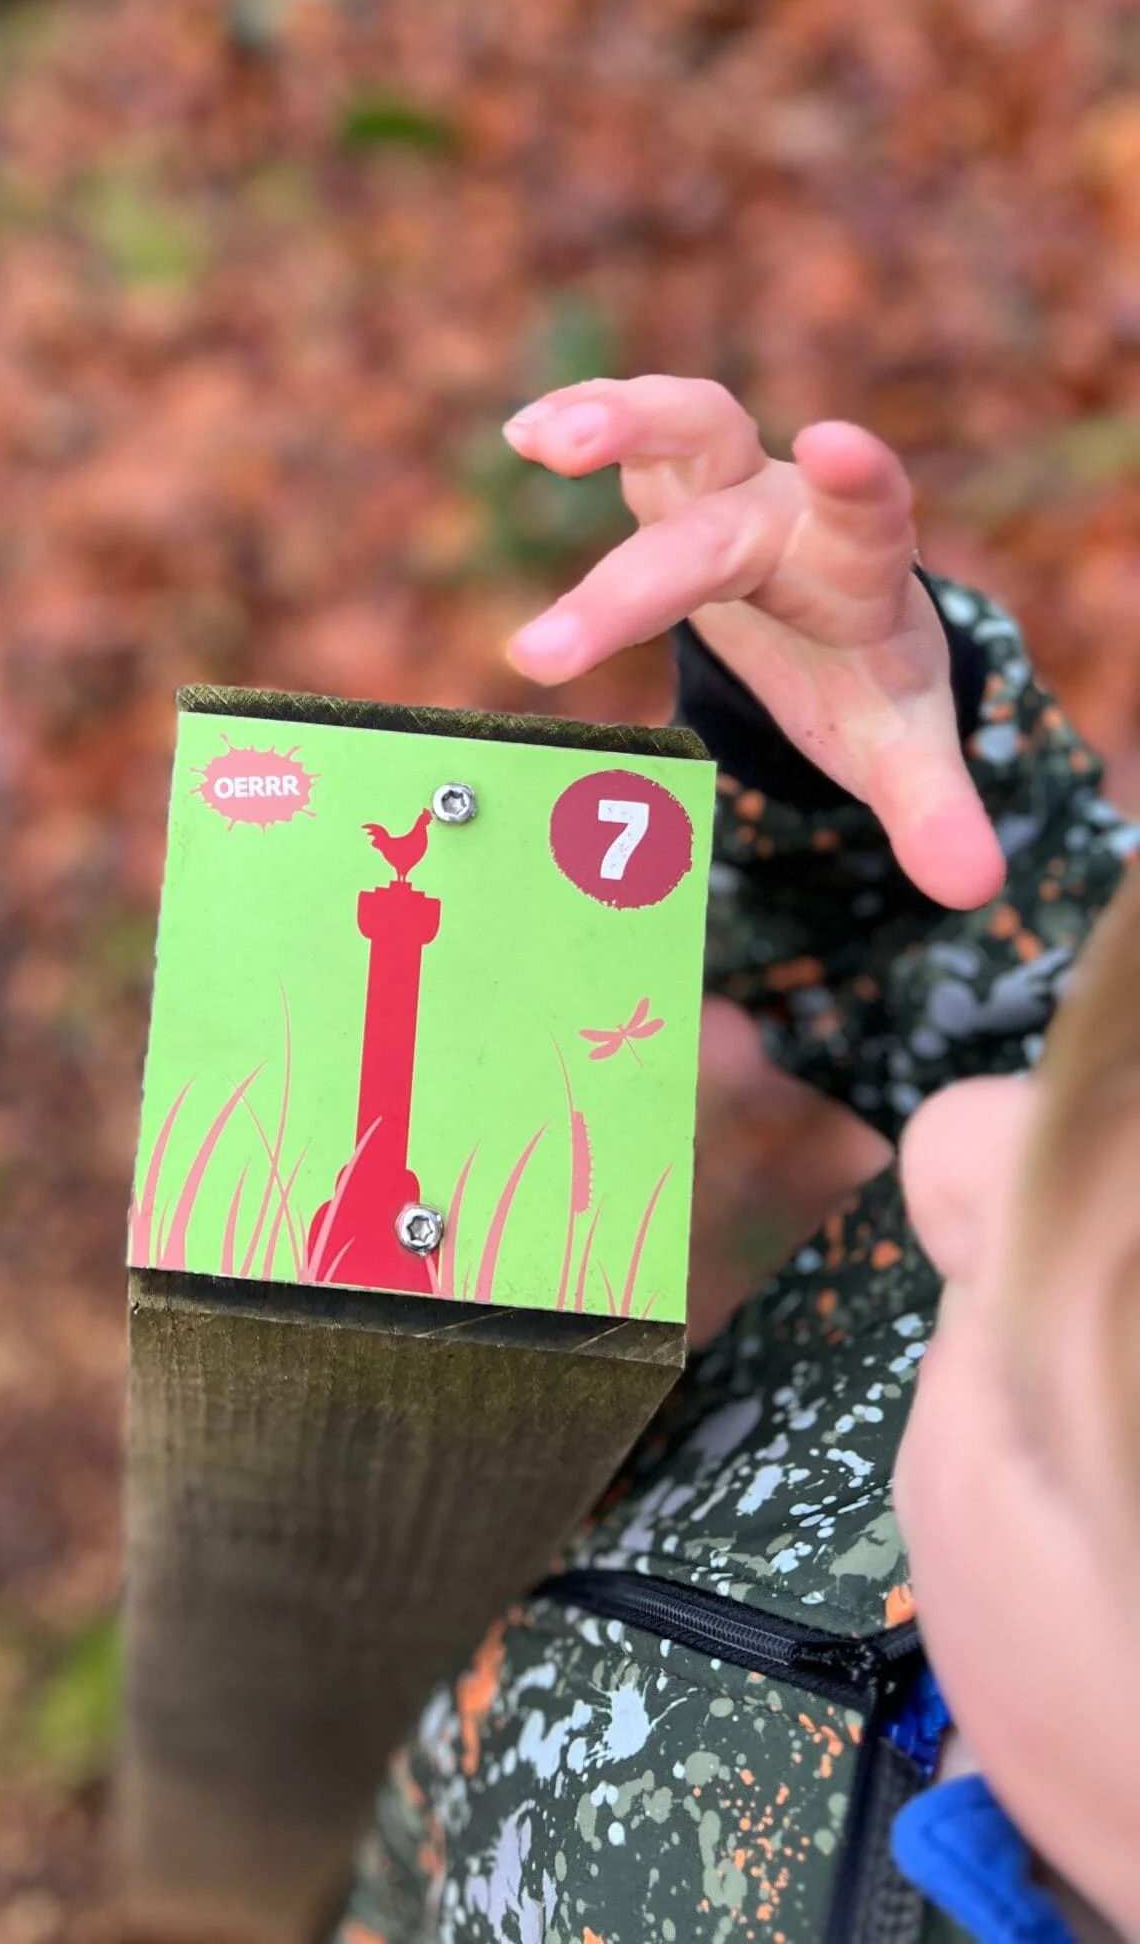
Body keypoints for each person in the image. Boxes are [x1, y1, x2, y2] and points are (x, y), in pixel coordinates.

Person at [334, 376, 1139, 1944]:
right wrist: (853, 769)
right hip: (433, 1776)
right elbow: (1038, 1010)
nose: (961, 1151)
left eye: (1039, 1413)